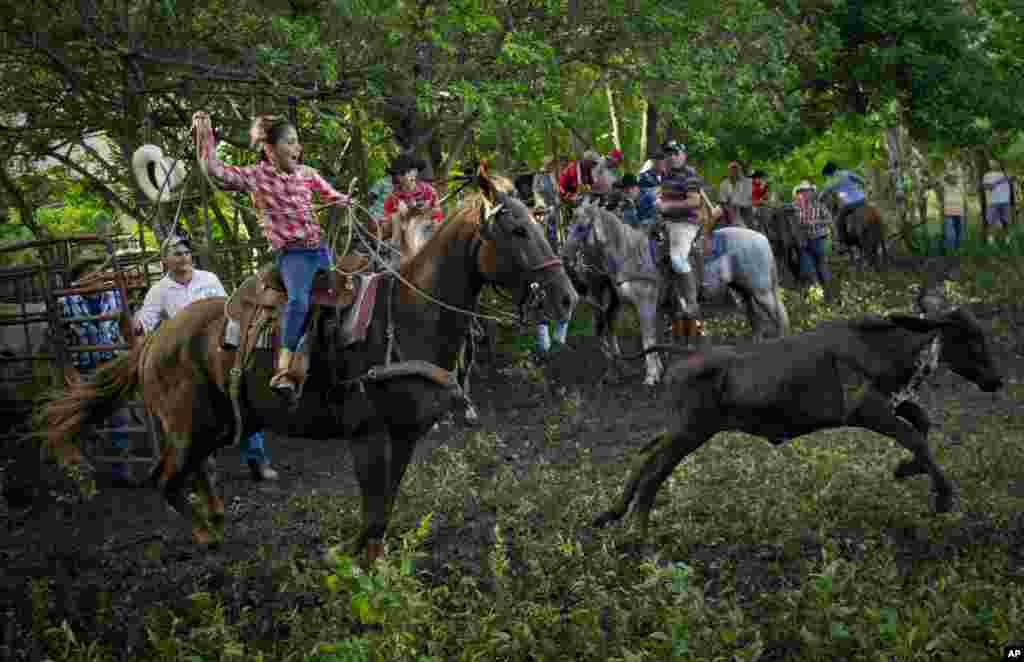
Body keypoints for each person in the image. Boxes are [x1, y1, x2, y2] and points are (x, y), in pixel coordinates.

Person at [192, 111, 353, 404]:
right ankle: (284, 366)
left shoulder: (307, 174)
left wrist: (345, 199)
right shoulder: (256, 176)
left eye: (297, 142)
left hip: (320, 251)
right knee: (299, 301)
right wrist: (205, 135)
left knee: (350, 288)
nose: (297, 148)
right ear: (270, 148)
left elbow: (332, 195)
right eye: (290, 142)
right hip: (293, 256)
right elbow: (215, 169)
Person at [133, 235, 279, 481]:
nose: (183, 257)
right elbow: (146, 322)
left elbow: (228, 307)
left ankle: (258, 460)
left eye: (186, 252)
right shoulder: (158, 291)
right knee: (197, 410)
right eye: (176, 253)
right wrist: (137, 323)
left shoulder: (208, 279)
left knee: (242, 399)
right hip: (188, 358)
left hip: (219, 350)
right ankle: (205, 467)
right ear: (165, 260)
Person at [60, 246, 133, 485]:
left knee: (119, 417)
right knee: (84, 418)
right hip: (84, 367)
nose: (95, 275)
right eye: (88, 271)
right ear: (77, 277)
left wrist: (131, 353)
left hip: (113, 364)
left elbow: (125, 327)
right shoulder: (64, 302)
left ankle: (120, 471)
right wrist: (69, 371)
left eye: (98, 270)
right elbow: (57, 340)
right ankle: (85, 470)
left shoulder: (113, 295)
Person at [656, 140, 705, 324]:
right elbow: (663, 198)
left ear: (684, 155)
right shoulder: (666, 175)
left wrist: (668, 206)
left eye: (676, 153)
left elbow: (694, 202)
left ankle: (692, 303)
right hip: (667, 224)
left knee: (677, 259)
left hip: (686, 223)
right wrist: (659, 204)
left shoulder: (689, 174)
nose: (672, 157)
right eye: (668, 154)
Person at [382, 154, 444, 263]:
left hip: (426, 232)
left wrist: (426, 213)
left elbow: (438, 215)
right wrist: (401, 214)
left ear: (414, 172)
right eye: (397, 174)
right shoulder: (392, 197)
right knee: (396, 217)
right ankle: (395, 260)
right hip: (402, 238)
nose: (400, 177)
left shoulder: (429, 191)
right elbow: (387, 222)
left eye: (402, 173)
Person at [792, 180, 834, 302]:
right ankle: (817, 296)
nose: (805, 194)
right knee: (809, 270)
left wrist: (815, 222)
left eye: (807, 191)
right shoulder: (795, 206)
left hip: (818, 239)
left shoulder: (819, 206)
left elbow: (829, 220)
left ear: (811, 192)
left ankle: (828, 294)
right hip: (803, 242)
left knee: (822, 267)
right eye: (802, 192)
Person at [818, 161, 867, 249]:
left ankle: (843, 242)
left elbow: (822, 196)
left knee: (838, 222)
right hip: (862, 200)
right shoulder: (847, 173)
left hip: (849, 204)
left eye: (827, 175)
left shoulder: (830, 182)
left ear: (829, 173)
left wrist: (819, 199)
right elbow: (862, 181)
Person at [532, 155, 561, 249]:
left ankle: (555, 247)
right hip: (544, 207)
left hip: (554, 206)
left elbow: (556, 189)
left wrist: (557, 198)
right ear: (546, 164)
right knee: (546, 229)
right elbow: (536, 191)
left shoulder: (553, 175)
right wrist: (542, 204)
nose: (552, 166)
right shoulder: (539, 176)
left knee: (555, 229)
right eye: (550, 164)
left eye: (553, 164)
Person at [982, 160, 1013, 244]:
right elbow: (986, 186)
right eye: (991, 163)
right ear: (989, 165)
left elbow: (1012, 179)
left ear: (998, 164)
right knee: (990, 222)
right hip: (993, 202)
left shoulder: (1005, 174)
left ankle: (1007, 240)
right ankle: (990, 242)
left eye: (994, 163)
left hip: (1005, 201)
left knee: (1005, 221)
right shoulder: (987, 175)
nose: (993, 164)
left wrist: (1007, 177)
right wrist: (998, 182)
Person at [719, 161, 753, 228]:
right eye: (732, 170)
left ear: (739, 171)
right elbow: (722, 199)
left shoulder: (748, 182)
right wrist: (728, 207)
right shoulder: (724, 183)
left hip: (744, 207)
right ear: (729, 171)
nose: (734, 172)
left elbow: (749, 196)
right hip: (728, 207)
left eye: (736, 169)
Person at [942, 167, 965, 254]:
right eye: (952, 177)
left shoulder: (960, 186)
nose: (954, 178)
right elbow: (941, 177)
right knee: (949, 233)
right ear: (948, 178)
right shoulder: (945, 186)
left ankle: (957, 250)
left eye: (955, 177)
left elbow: (964, 198)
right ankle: (948, 251)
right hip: (948, 213)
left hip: (959, 212)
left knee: (959, 233)